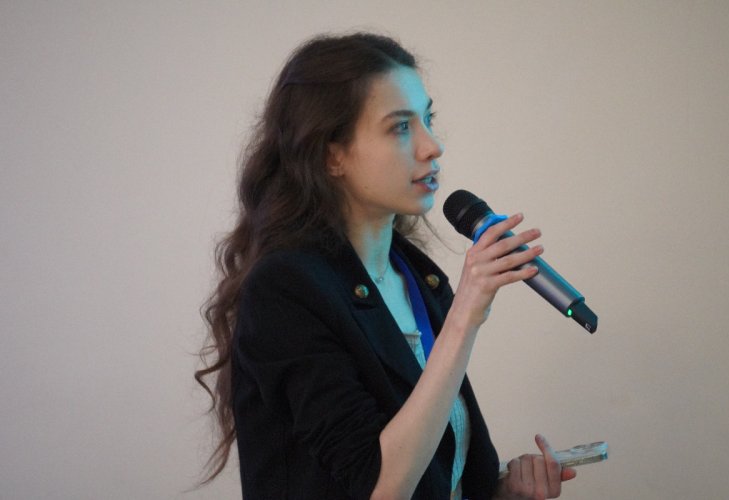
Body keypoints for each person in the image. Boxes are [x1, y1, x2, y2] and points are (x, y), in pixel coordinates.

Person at [196, 32, 577, 499]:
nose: (432, 146)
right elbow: (380, 487)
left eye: (428, 120)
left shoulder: (418, 278)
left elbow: (429, 473)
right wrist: (464, 317)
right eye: (400, 127)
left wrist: (500, 493)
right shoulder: (286, 289)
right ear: (332, 155)